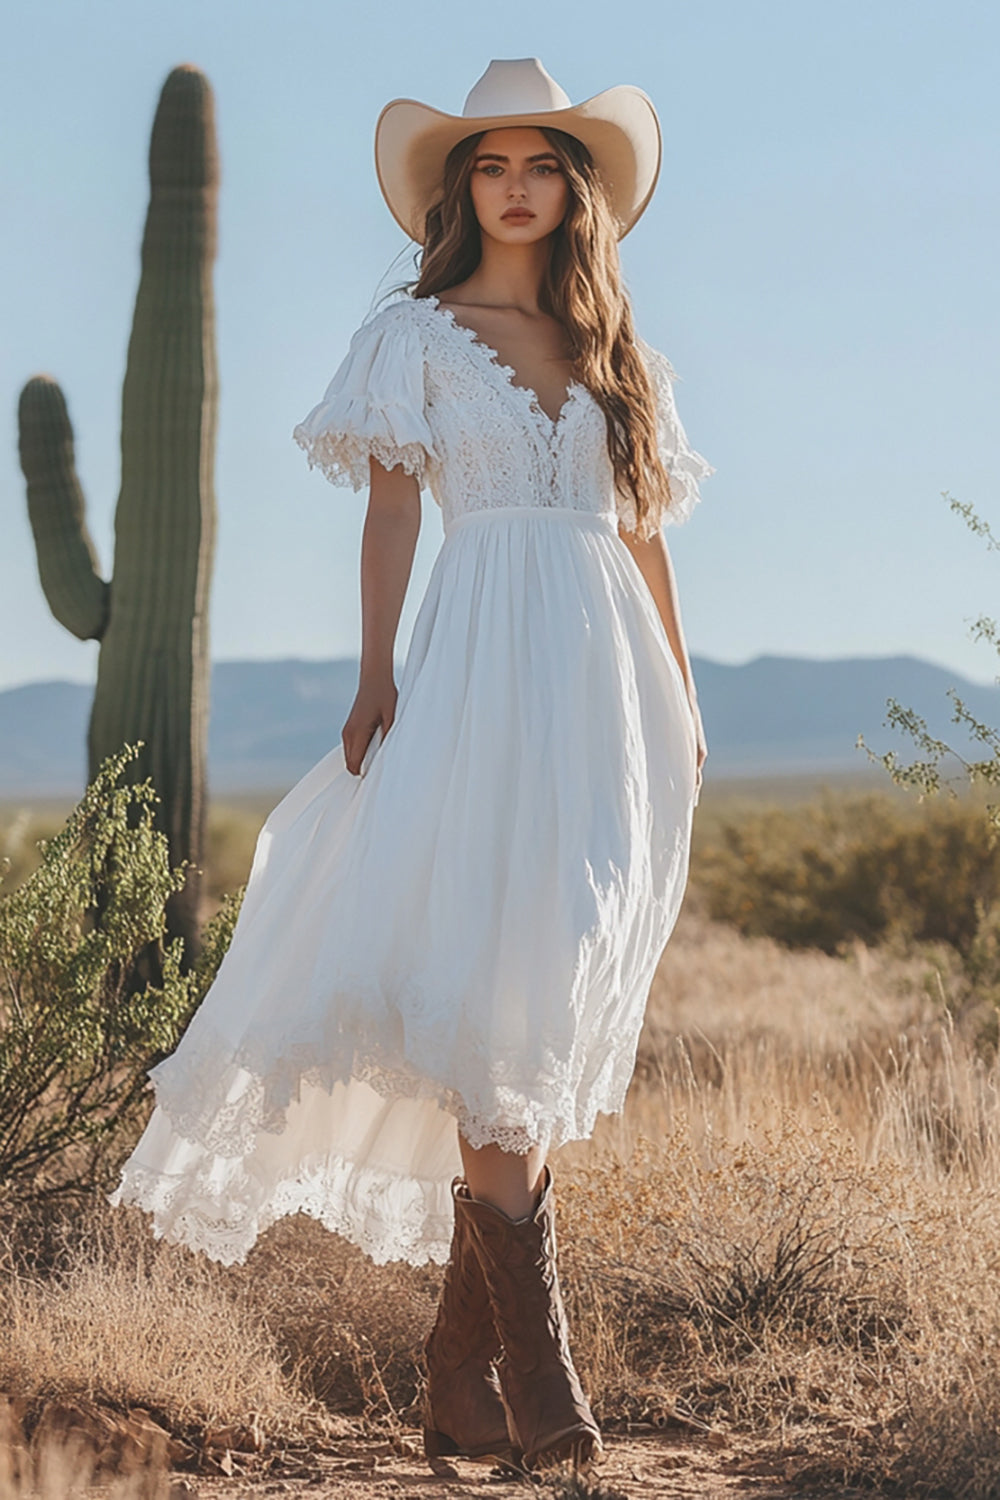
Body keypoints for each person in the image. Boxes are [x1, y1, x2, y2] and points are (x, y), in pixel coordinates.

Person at [109, 57, 712, 1476]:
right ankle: (545, 1388)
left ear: (576, 190)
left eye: (542, 166)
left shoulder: (618, 352)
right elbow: (390, 514)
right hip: (479, 664)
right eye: (492, 166)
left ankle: (455, 1368)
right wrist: (375, 669)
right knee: (492, 990)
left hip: (605, 689)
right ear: (463, 191)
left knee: (551, 987)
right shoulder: (417, 337)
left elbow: (648, 538)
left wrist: (682, 695)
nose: (516, 187)